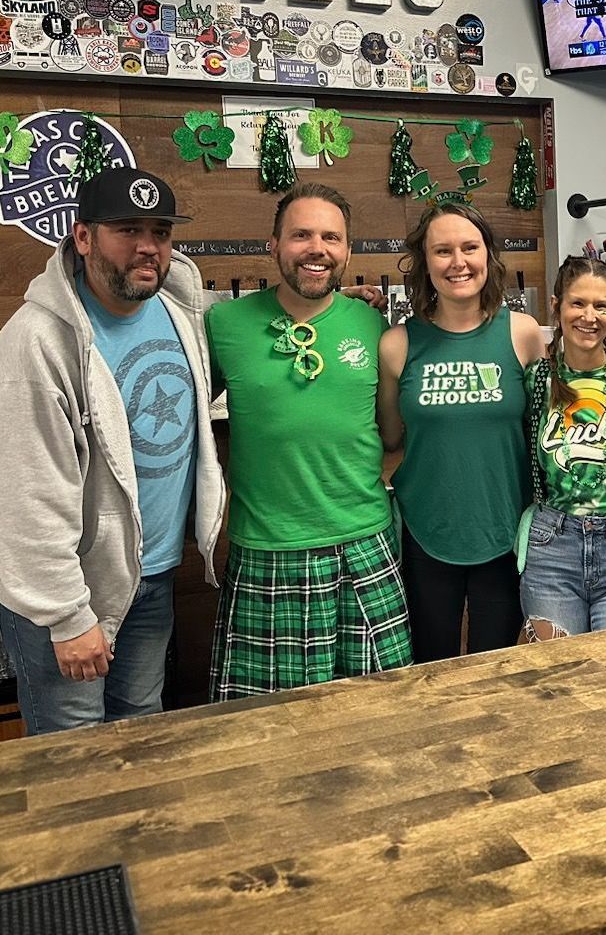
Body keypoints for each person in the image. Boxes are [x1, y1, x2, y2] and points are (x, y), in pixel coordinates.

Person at [0, 167, 224, 734]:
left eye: (161, 233)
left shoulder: (180, 312)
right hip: (75, 592)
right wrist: (67, 616)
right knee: (70, 748)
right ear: (83, 237)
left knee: (139, 730)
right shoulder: (36, 340)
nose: (148, 247)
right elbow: (24, 494)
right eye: (128, 230)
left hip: (153, 577)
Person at [206, 182, 412, 701]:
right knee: (264, 726)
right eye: (301, 235)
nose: (316, 248)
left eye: (331, 237)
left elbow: (394, 433)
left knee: (380, 713)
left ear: (347, 251)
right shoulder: (222, 325)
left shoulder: (375, 325)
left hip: (365, 543)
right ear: (273, 245)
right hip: (266, 549)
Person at [379, 202, 543, 661]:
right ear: (424, 262)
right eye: (442, 251)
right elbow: (391, 439)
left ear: (488, 256)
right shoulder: (397, 344)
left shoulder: (524, 334)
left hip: (505, 530)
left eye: (470, 248)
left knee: (496, 666)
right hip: (427, 532)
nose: (458, 262)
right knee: (431, 666)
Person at [520, 258, 606, 639]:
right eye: (577, 303)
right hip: (552, 548)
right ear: (557, 306)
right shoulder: (536, 380)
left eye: (602, 306)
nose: (589, 316)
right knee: (557, 677)